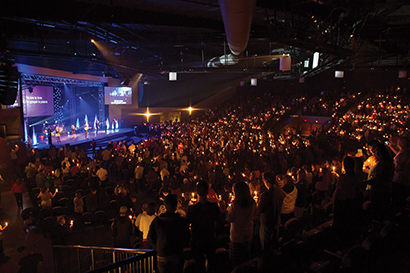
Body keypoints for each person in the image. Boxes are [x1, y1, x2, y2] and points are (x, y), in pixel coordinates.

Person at [148, 194, 190, 273]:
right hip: (177, 254)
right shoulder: (181, 221)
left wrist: (157, 247)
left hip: (163, 254)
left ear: (165, 205)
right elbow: (187, 237)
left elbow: (150, 237)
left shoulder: (157, 221)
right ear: (176, 205)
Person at [186, 180, 221, 273]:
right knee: (211, 264)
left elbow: (187, 223)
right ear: (207, 191)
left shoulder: (192, 208)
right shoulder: (214, 206)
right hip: (210, 238)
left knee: (199, 265)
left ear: (197, 192)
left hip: (196, 240)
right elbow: (220, 221)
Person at [226, 181, 256, 267]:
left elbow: (229, 219)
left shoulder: (235, 205)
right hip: (248, 233)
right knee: (246, 257)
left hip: (237, 235)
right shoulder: (252, 203)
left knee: (236, 259)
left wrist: (227, 211)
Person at [364, 142, 394, 222]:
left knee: (378, 211)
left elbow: (376, 178)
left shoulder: (382, 164)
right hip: (385, 189)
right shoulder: (386, 162)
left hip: (378, 190)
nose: (374, 154)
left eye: (376, 152)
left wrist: (363, 182)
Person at [258, 171, 284, 253]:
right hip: (277, 221)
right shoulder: (280, 191)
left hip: (267, 223)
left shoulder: (265, 195)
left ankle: (268, 261)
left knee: (266, 246)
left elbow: (259, 210)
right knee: (275, 242)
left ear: (266, 181)